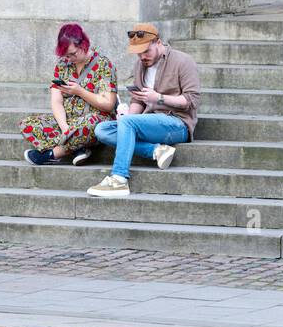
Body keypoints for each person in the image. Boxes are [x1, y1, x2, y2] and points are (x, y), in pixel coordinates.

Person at [86, 22, 200, 198]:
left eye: (146, 51)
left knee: (126, 123)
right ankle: (156, 150)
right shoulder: (140, 65)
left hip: (178, 123)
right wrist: (127, 116)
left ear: (158, 42)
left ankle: (119, 178)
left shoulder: (183, 61)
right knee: (102, 130)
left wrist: (159, 98)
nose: (142, 57)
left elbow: (191, 100)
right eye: (138, 53)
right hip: (149, 121)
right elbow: (137, 99)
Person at [20, 23, 117, 166]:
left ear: (83, 44)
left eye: (73, 54)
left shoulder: (103, 64)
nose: (70, 58)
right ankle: (78, 147)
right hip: (68, 122)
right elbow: (56, 101)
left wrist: (80, 91)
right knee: (26, 124)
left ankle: (53, 154)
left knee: (91, 124)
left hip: (93, 120)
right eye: (66, 55)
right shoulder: (62, 65)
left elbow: (108, 104)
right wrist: (65, 128)